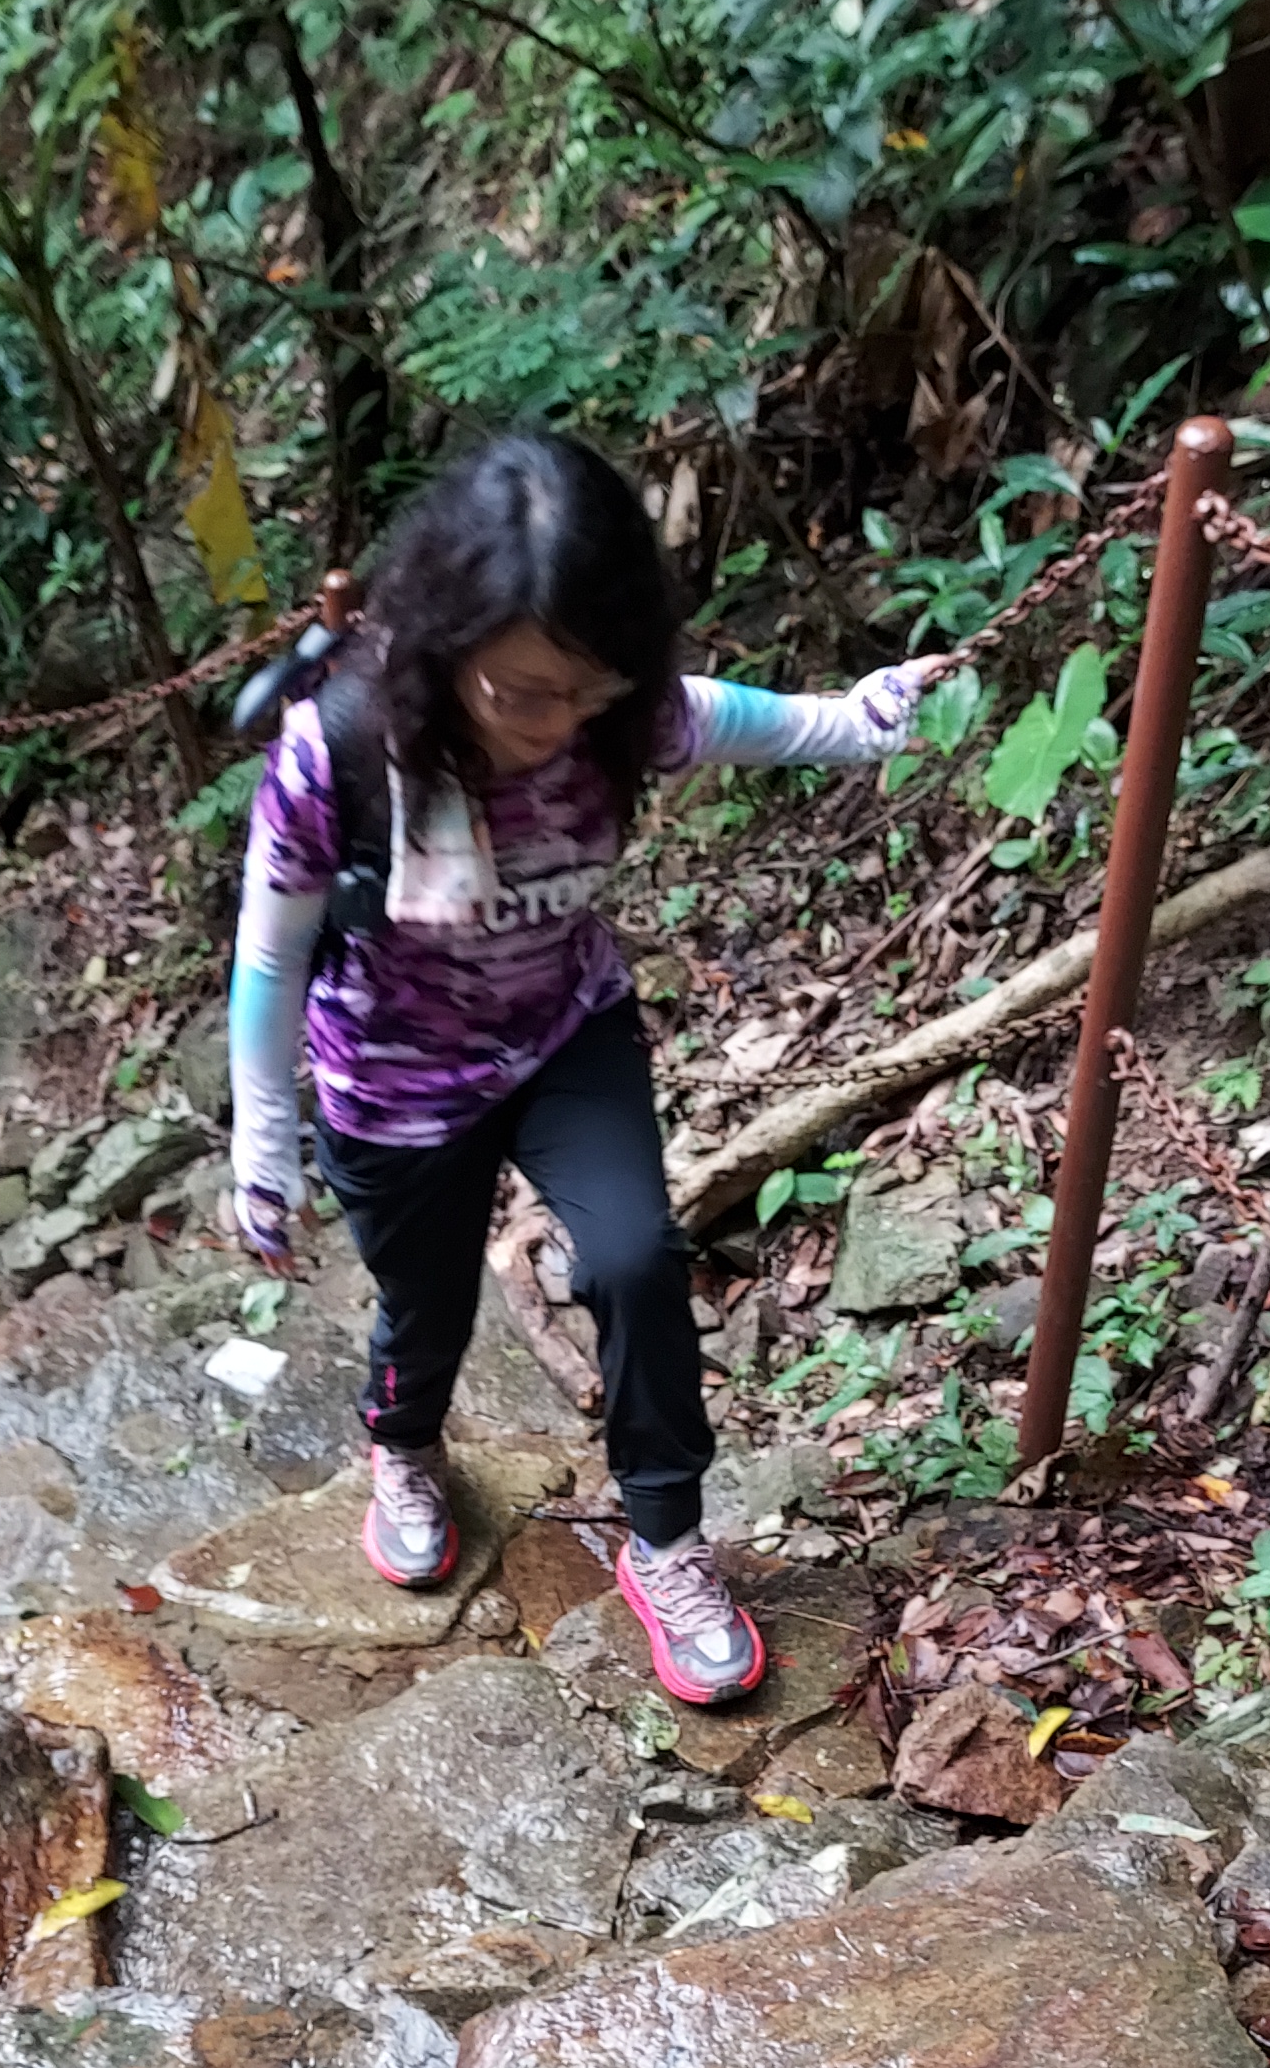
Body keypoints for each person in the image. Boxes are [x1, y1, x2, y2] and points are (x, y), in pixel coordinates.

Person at [227, 429, 930, 1707]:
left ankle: (665, 1541)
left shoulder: (616, 716)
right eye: (519, 693)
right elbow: (271, 956)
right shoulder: (341, 748)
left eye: (582, 692)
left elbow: (742, 717)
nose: (552, 725)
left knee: (634, 1257)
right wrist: (261, 1142)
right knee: (426, 1304)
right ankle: (404, 1447)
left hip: (561, 1029)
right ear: (445, 645)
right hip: (392, 1075)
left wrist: (864, 719)